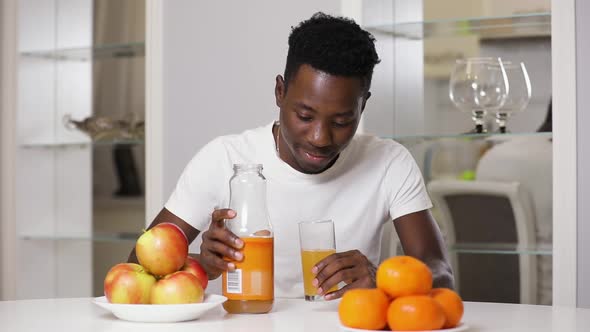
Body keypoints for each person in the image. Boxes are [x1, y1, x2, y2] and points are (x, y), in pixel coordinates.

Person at [129, 12, 453, 299]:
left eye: (341, 121)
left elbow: (440, 273)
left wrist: (381, 277)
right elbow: (135, 268)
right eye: (305, 116)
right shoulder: (224, 159)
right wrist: (200, 264)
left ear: (363, 105)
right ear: (280, 92)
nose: (320, 138)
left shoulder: (389, 162)